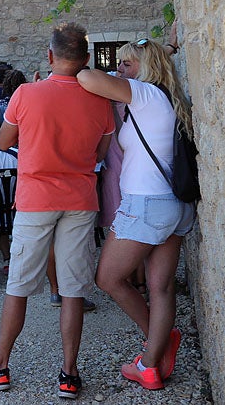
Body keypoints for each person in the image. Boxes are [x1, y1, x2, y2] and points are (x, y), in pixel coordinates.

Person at [0, 23, 114, 400]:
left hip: (36, 199)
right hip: (80, 199)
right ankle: (69, 374)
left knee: (19, 284)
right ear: (85, 60)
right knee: (72, 289)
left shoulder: (26, 94)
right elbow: (99, 154)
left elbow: (3, 142)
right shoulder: (102, 101)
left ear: (50, 56)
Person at [76, 39, 194, 390]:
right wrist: (164, 51)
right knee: (160, 288)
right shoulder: (167, 96)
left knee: (108, 279)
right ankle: (150, 364)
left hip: (145, 205)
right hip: (174, 205)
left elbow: (86, 78)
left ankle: (160, 341)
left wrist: (101, 70)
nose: (120, 70)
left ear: (144, 68)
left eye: (127, 64)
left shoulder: (144, 94)